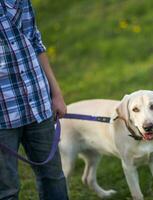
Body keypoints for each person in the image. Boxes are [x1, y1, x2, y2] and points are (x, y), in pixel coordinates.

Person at [0, 0, 69, 199]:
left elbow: (35, 43)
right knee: (7, 190)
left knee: (53, 178)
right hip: (3, 116)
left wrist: (56, 93)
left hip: (37, 103)